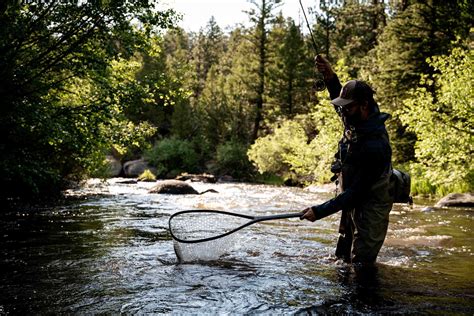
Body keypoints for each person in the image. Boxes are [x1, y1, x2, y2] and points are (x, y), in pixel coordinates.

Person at [300, 55, 393, 265]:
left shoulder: (376, 145)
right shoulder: (356, 118)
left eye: (347, 107)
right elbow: (340, 101)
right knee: (342, 258)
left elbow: (358, 191)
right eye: (342, 107)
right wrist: (330, 76)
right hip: (351, 199)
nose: (342, 111)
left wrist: (319, 211)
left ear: (364, 105)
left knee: (362, 264)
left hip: (370, 206)